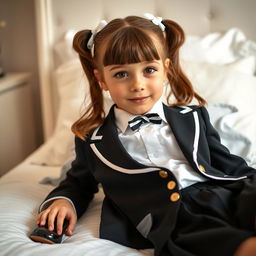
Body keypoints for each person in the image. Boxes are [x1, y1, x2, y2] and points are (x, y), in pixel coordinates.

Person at [36, 13, 256, 256]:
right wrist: (63, 201)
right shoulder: (93, 141)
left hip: (222, 191)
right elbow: (78, 184)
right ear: (102, 80)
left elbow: (225, 162)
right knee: (216, 241)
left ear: (165, 70)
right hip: (171, 212)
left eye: (149, 69)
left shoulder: (193, 116)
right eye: (121, 74)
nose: (137, 84)